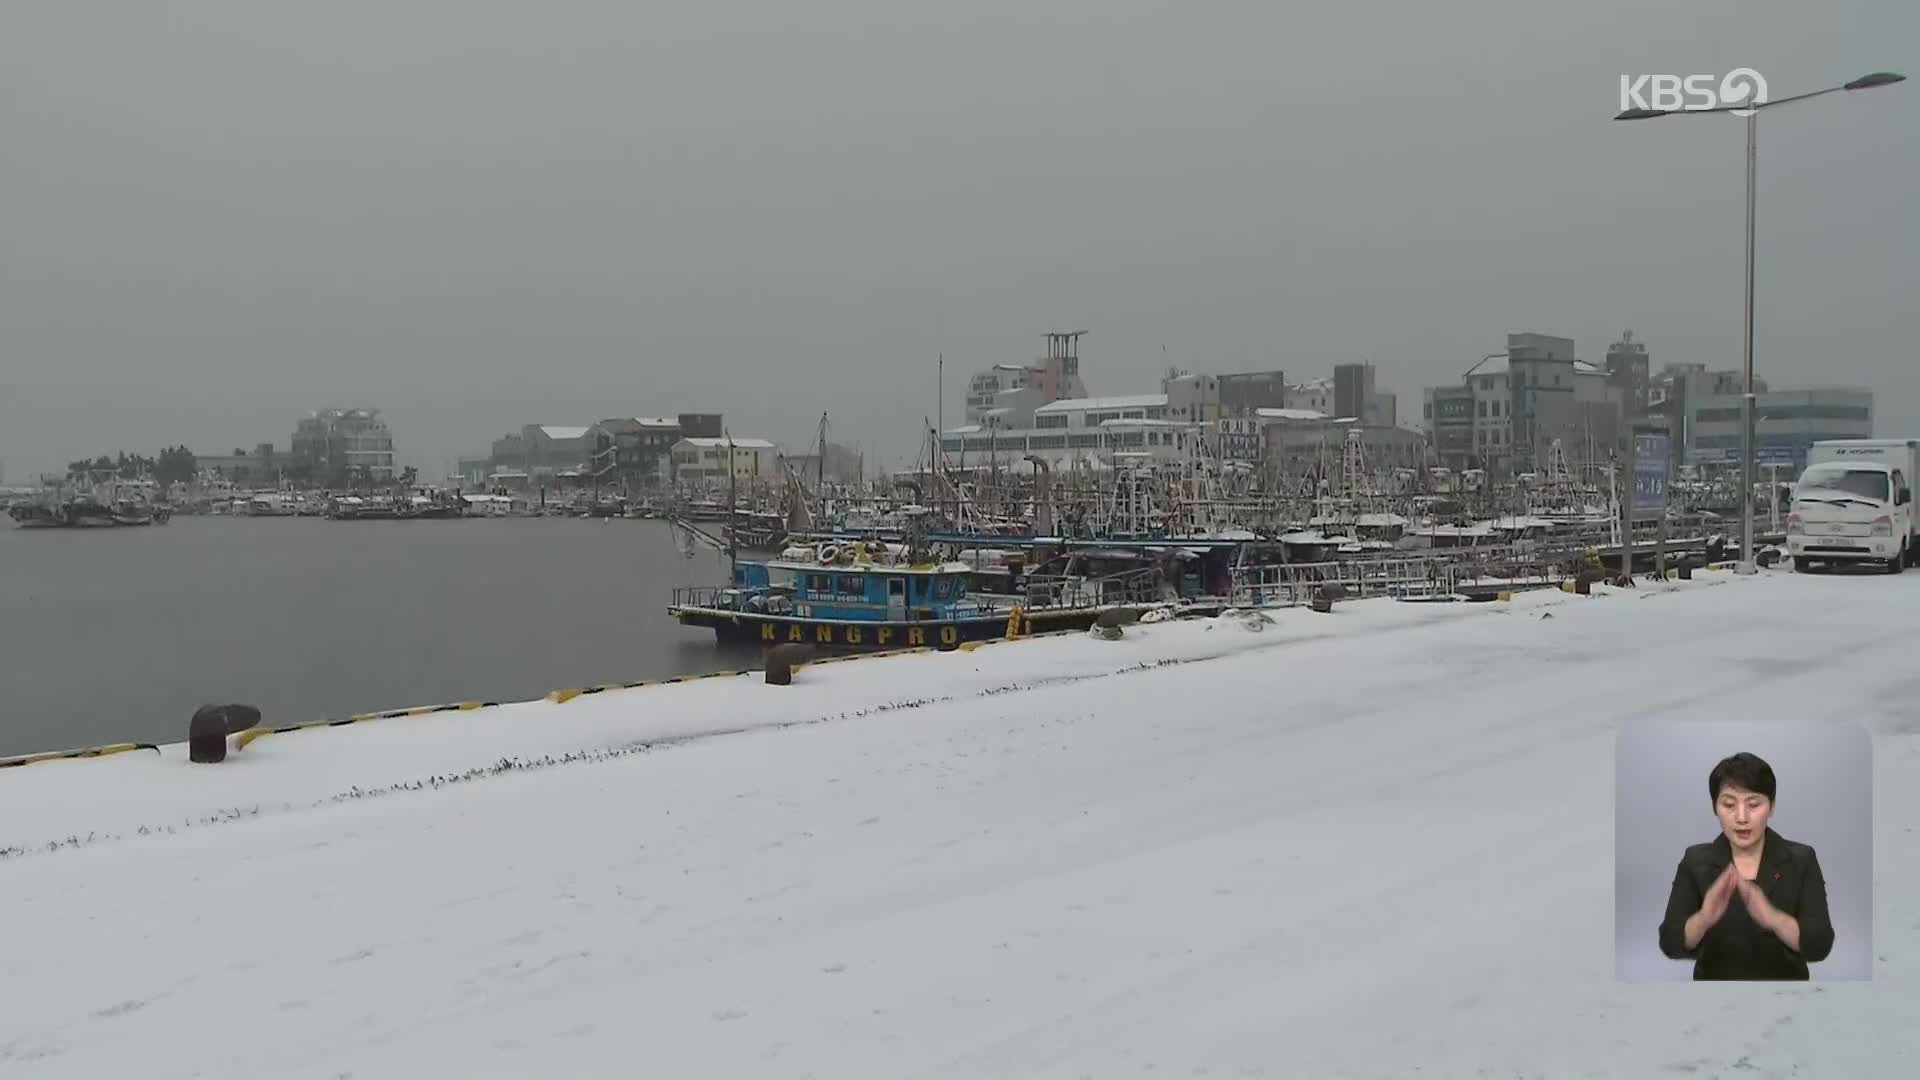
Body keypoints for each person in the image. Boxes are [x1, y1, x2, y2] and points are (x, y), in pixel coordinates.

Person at [1658, 752, 1835, 979]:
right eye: (1729, 804)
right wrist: (1703, 918)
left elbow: (1820, 946)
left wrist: (1774, 918)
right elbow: (1669, 943)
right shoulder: (1695, 861)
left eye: (1753, 804)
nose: (1741, 817)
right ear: (1715, 808)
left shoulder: (1801, 859)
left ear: (1771, 807)